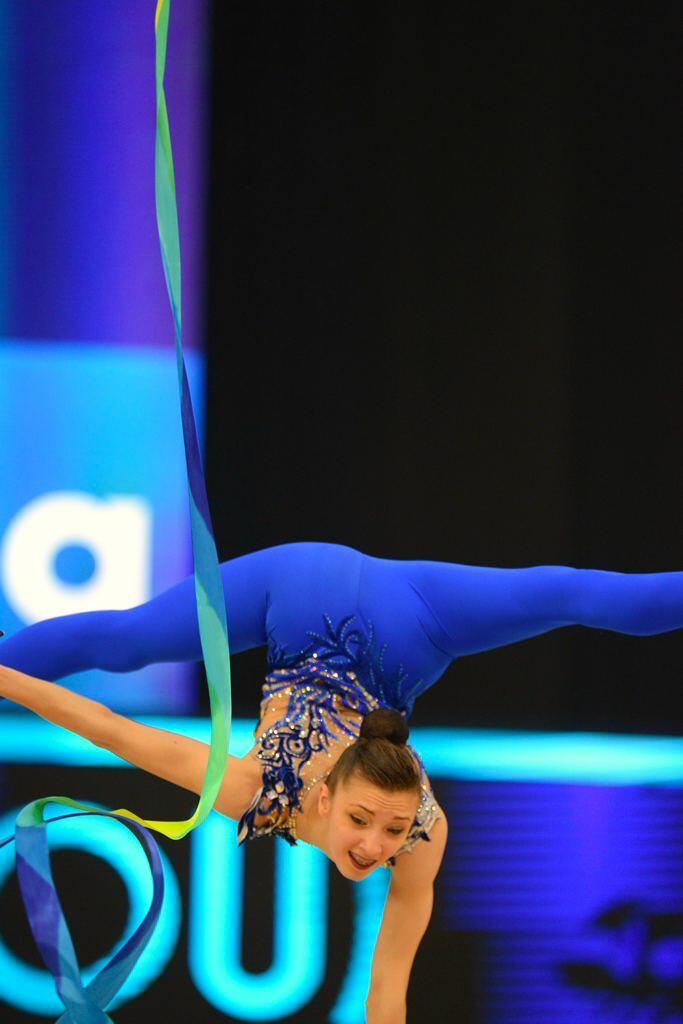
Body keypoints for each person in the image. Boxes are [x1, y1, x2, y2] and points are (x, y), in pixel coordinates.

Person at [1, 540, 682, 1022]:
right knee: (122, 641)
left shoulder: (259, 791)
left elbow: (384, 988)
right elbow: (106, 727)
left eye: (389, 829)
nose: (376, 846)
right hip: (384, 619)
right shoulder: (420, 829)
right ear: (326, 797)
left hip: (328, 599)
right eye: (367, 821)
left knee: (567, 591)